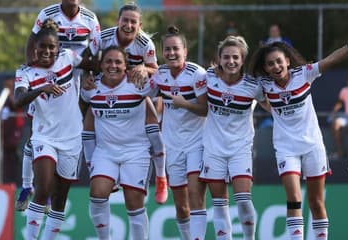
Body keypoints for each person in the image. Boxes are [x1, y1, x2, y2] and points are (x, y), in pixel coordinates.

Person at [249, 31, 348, 240]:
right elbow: (253, 95)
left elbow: (331, 60)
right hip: (286, 149)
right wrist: (274, 109)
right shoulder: (264, 86)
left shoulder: (304, 74)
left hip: (313, 146)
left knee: (316, 201)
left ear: (287, 60)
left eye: (278, 61)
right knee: (294, 198)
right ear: (265, 68)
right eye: (270, 64)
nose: (275, 67)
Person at [14, 19, 97, 239]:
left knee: (60, 200)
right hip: (45, 137)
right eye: (42, 46)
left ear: (58, 47)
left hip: (72, 138)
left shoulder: (68, 58)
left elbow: (92, 65)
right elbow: (18, 99)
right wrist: (42, 87)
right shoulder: (26, 72)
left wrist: (97, 74)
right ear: (35, 47)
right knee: (43, 189)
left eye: (52, 47)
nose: (47, 51)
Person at [82, 2, 168, 204]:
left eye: (133, 22)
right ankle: (97, 169)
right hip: (105, 85)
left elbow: (158, 71)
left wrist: (144, 69)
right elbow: (86, 59)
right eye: (125, 20)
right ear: (117, 21)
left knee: (151, 115)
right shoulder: (102, 37)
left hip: (133, 86)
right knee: (87, 118)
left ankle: (161, 175)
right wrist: (87, 74)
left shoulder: (145, 43)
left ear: (139, 25)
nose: (128, 25)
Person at [199, 35, 270, 240]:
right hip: (213, 150)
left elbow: (272, 107)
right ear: (219, 59)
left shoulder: (253, 85)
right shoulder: (208, 78)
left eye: (236, 57)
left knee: (244, 200)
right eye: (227, 57)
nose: (231, 61)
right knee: (220, 204)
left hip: (240, 149)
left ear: (243, 59)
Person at [83, 46, 157, 240]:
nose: (112, 66)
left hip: (136, 150)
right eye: (108, 61)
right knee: (97, 194)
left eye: (118, 62)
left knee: (134, 204)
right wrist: (90, 159)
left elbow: (161, 83)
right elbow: (88, 125)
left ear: (126, 66)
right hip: (105, 151)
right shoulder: (90, 88)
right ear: (101, 65)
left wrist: (145, 70)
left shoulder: (138, 84)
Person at [147, 26, 208, 239]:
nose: (172, 53)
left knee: (195, 196)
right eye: (167, 49)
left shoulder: (197, 74)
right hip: (172, 145)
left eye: (176, 49)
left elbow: (205, 108)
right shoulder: (160, 74)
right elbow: (143, 92)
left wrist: (185, 104)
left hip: (197, 143)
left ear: (185, 51)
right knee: (181, 206)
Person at [2, 78, 25, 184]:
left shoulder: (16, 97)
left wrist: (10, 91)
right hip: (5, 137)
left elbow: (15, 105)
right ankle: (8, 183)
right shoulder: (3, 100)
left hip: (16, 136)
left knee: (18, 159)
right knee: (7, 161)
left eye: (9, 86)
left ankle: (22, 183)